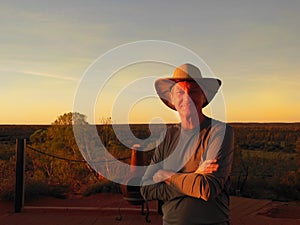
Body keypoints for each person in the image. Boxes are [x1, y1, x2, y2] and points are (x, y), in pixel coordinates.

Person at [140, 63, 234, 225]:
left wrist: (165, 175)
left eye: (194, 91)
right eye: (180, 92)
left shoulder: (219, 132)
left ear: (203, 96)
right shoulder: (168, 136)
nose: (187, 97)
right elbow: (146, 189)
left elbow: (206, 188)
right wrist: (193, 177)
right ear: (172, 99)